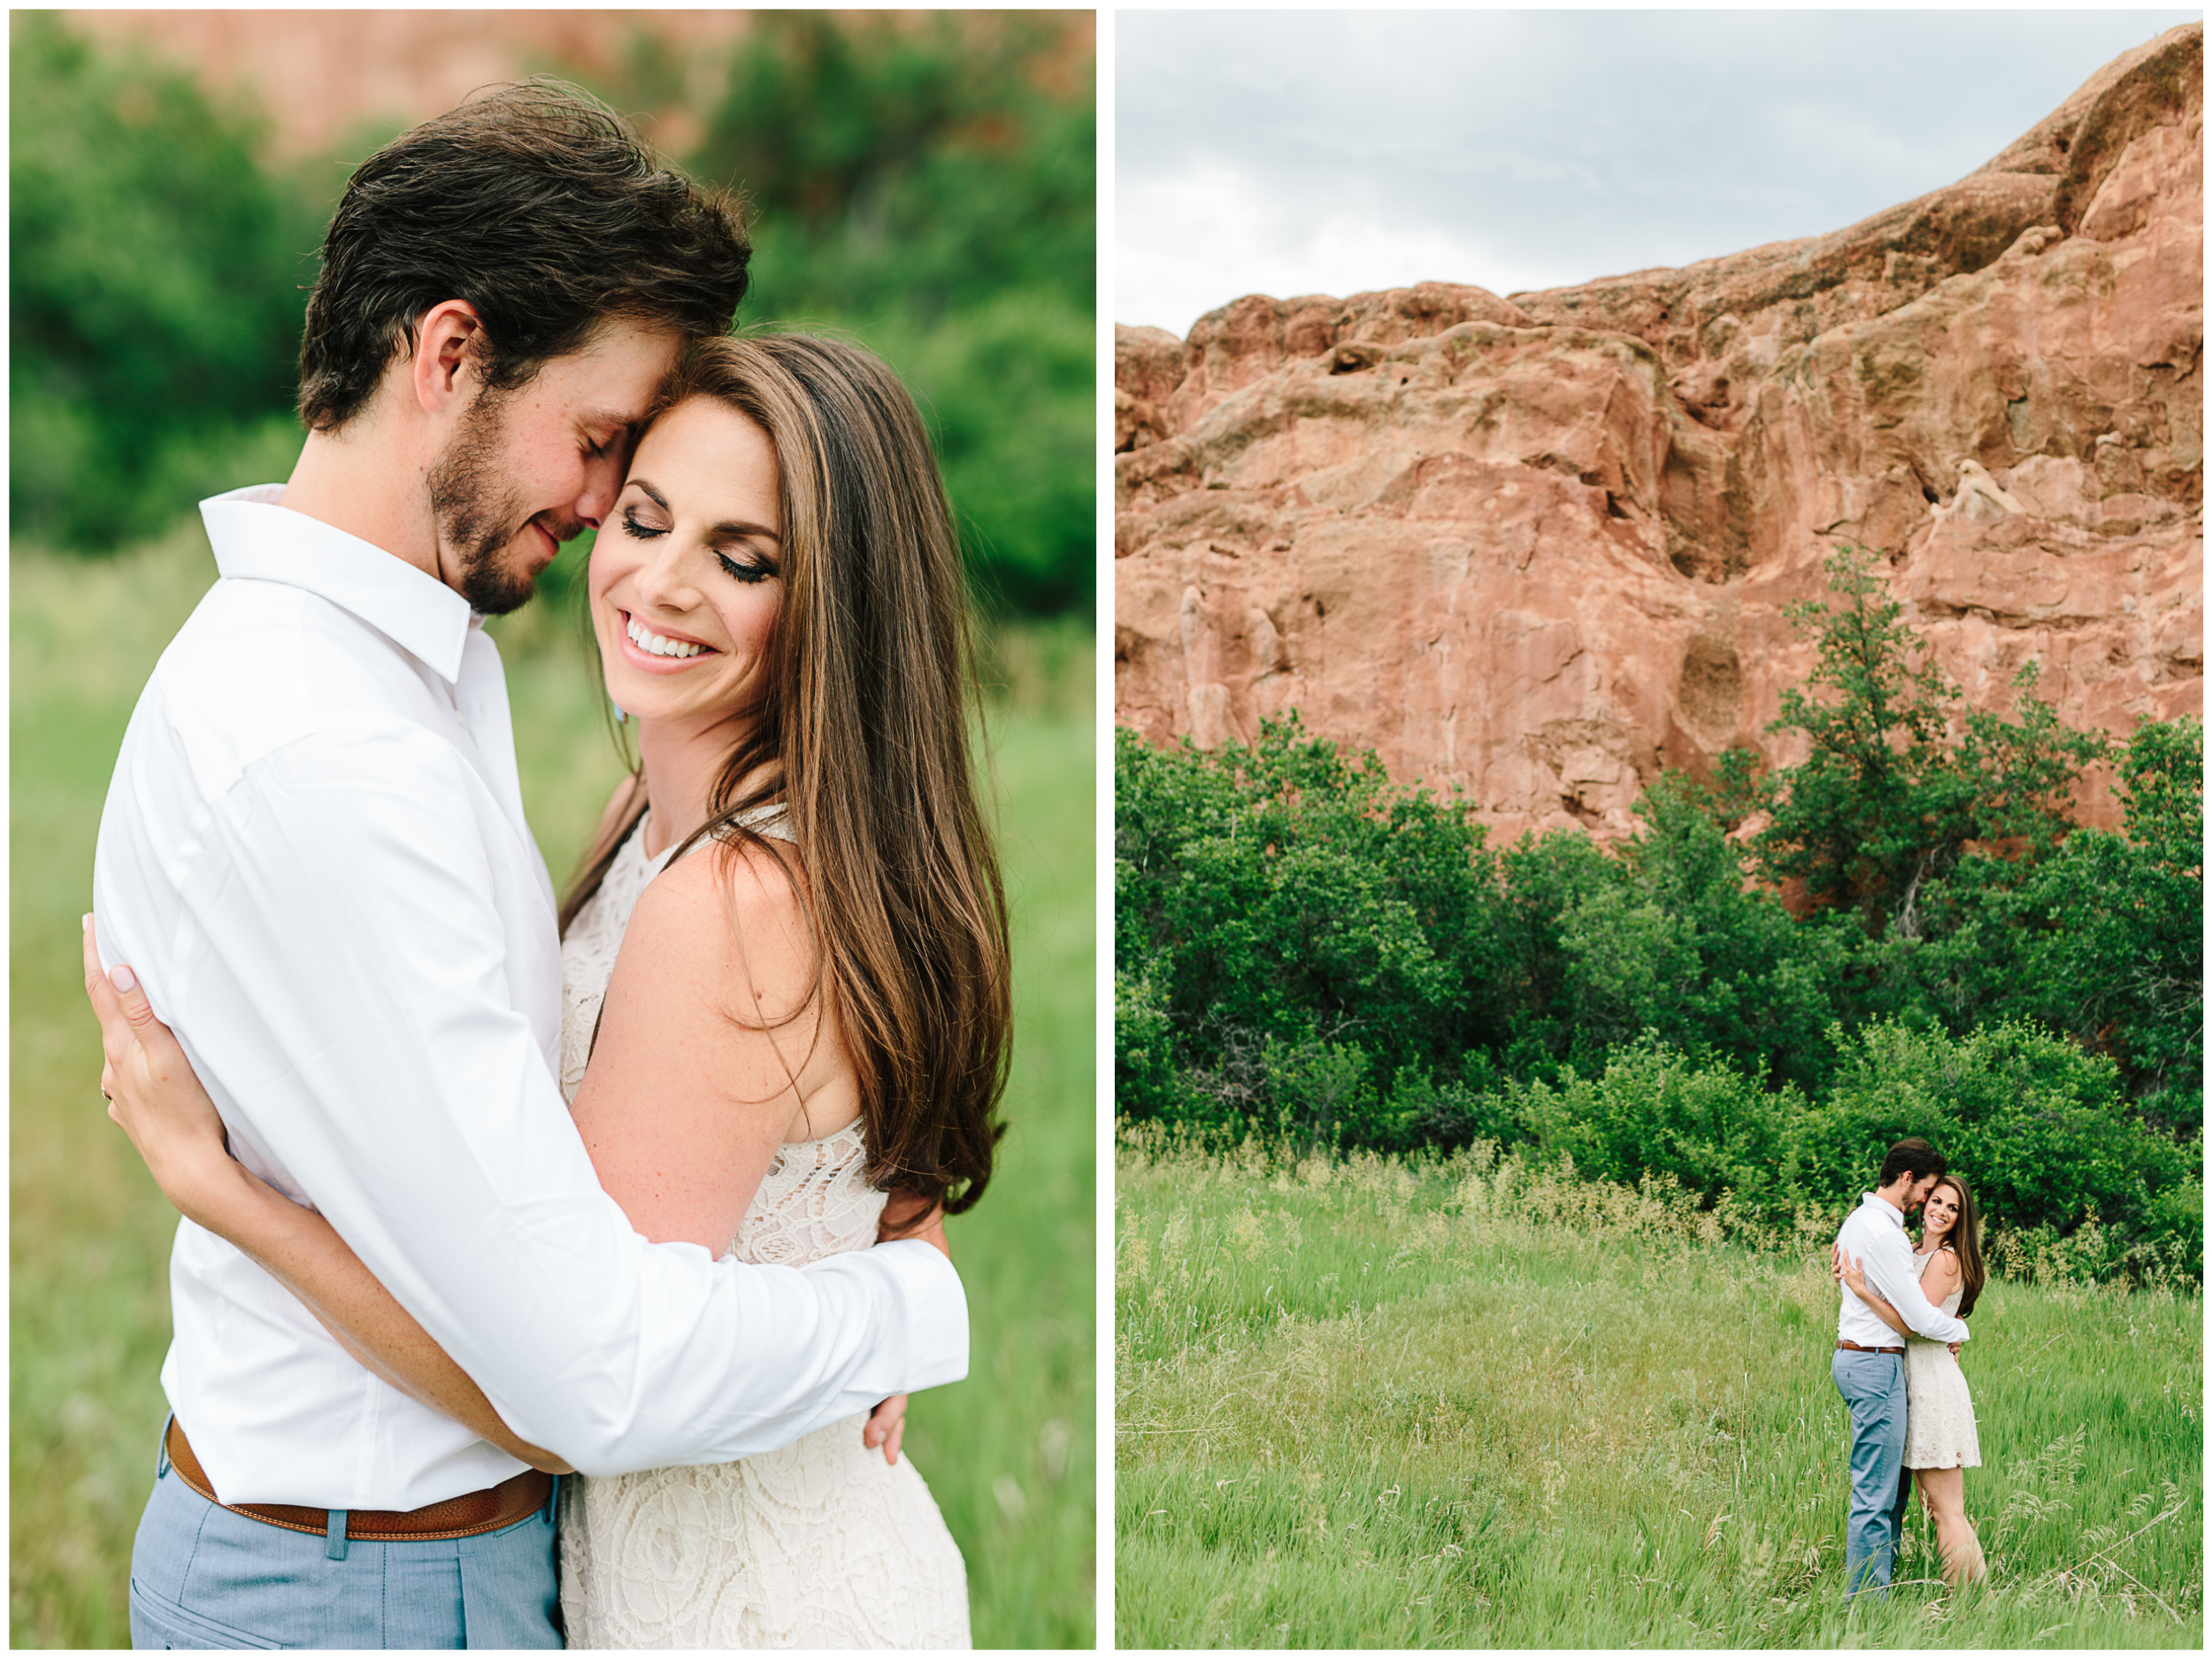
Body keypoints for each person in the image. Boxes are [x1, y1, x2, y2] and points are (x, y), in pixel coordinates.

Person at [82, 84, 979, 1651]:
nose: (601, 524)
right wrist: (898, 1304)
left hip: (484, 1558)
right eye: (605, 460)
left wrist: (221, 1193)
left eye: (738, 548)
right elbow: (581, 1377)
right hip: (370, 1576)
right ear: (447, 357)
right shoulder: (332, 744)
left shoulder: (420, 668)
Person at [1828, 1137, 1971, 1601]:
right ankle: (1868, 1607)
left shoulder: (1860, 1221)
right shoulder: (1886, 1233)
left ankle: (1878, 1596)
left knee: (1892, 1496)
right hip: (1876, 1364)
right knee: (1877, 1498)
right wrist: (1958, 1332)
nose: (1927, 1202)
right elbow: (1916, 1321)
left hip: (1869, 1361)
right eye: (1928, 1191)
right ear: (1908, 1180)